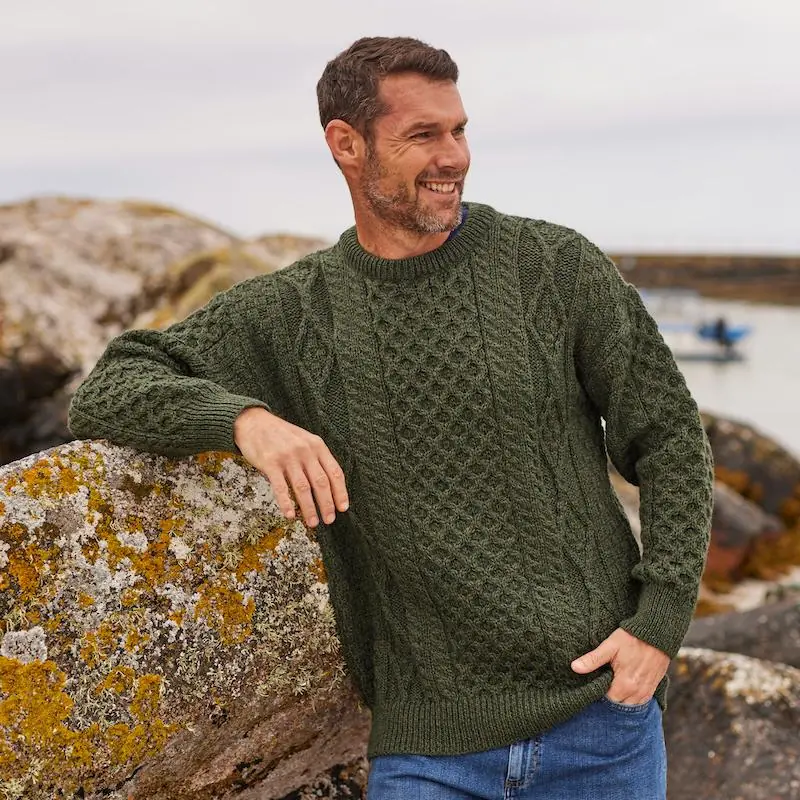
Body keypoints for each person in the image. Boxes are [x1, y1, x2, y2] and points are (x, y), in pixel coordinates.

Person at [68, 36, 714, 800]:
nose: (453, 157)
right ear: (347, 145)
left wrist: (659, 623)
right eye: (422, 135)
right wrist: (247, 421)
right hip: (428, 754)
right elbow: (110, 386)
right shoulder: (293, 313)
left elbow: (670, 437)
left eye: (459, 130)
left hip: (601, 728)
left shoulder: (555, 268)